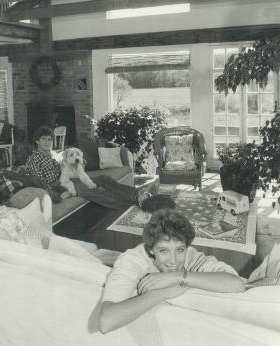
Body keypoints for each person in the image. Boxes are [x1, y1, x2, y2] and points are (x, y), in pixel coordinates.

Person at [99, 209, 246, 333]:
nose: (174, 261)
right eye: (164, 251)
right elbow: (106, 321)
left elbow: (237, 284)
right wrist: (163, 293)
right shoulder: (132, 261)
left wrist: (177, 277)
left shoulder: (189, 255)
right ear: (150, 249)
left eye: (180, 250)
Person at [25, 126, 162, 210]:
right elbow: (38, 181)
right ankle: (132, 206)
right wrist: (57, 193)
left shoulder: (52, 154)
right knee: (98, 192)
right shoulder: (33, 159)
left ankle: (138, 195)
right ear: (37, 140)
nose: (47, 142)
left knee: (104, 179)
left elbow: (65, 169)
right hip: (59, 186)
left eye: (49, 139)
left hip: (70, 179)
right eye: (44, 139)